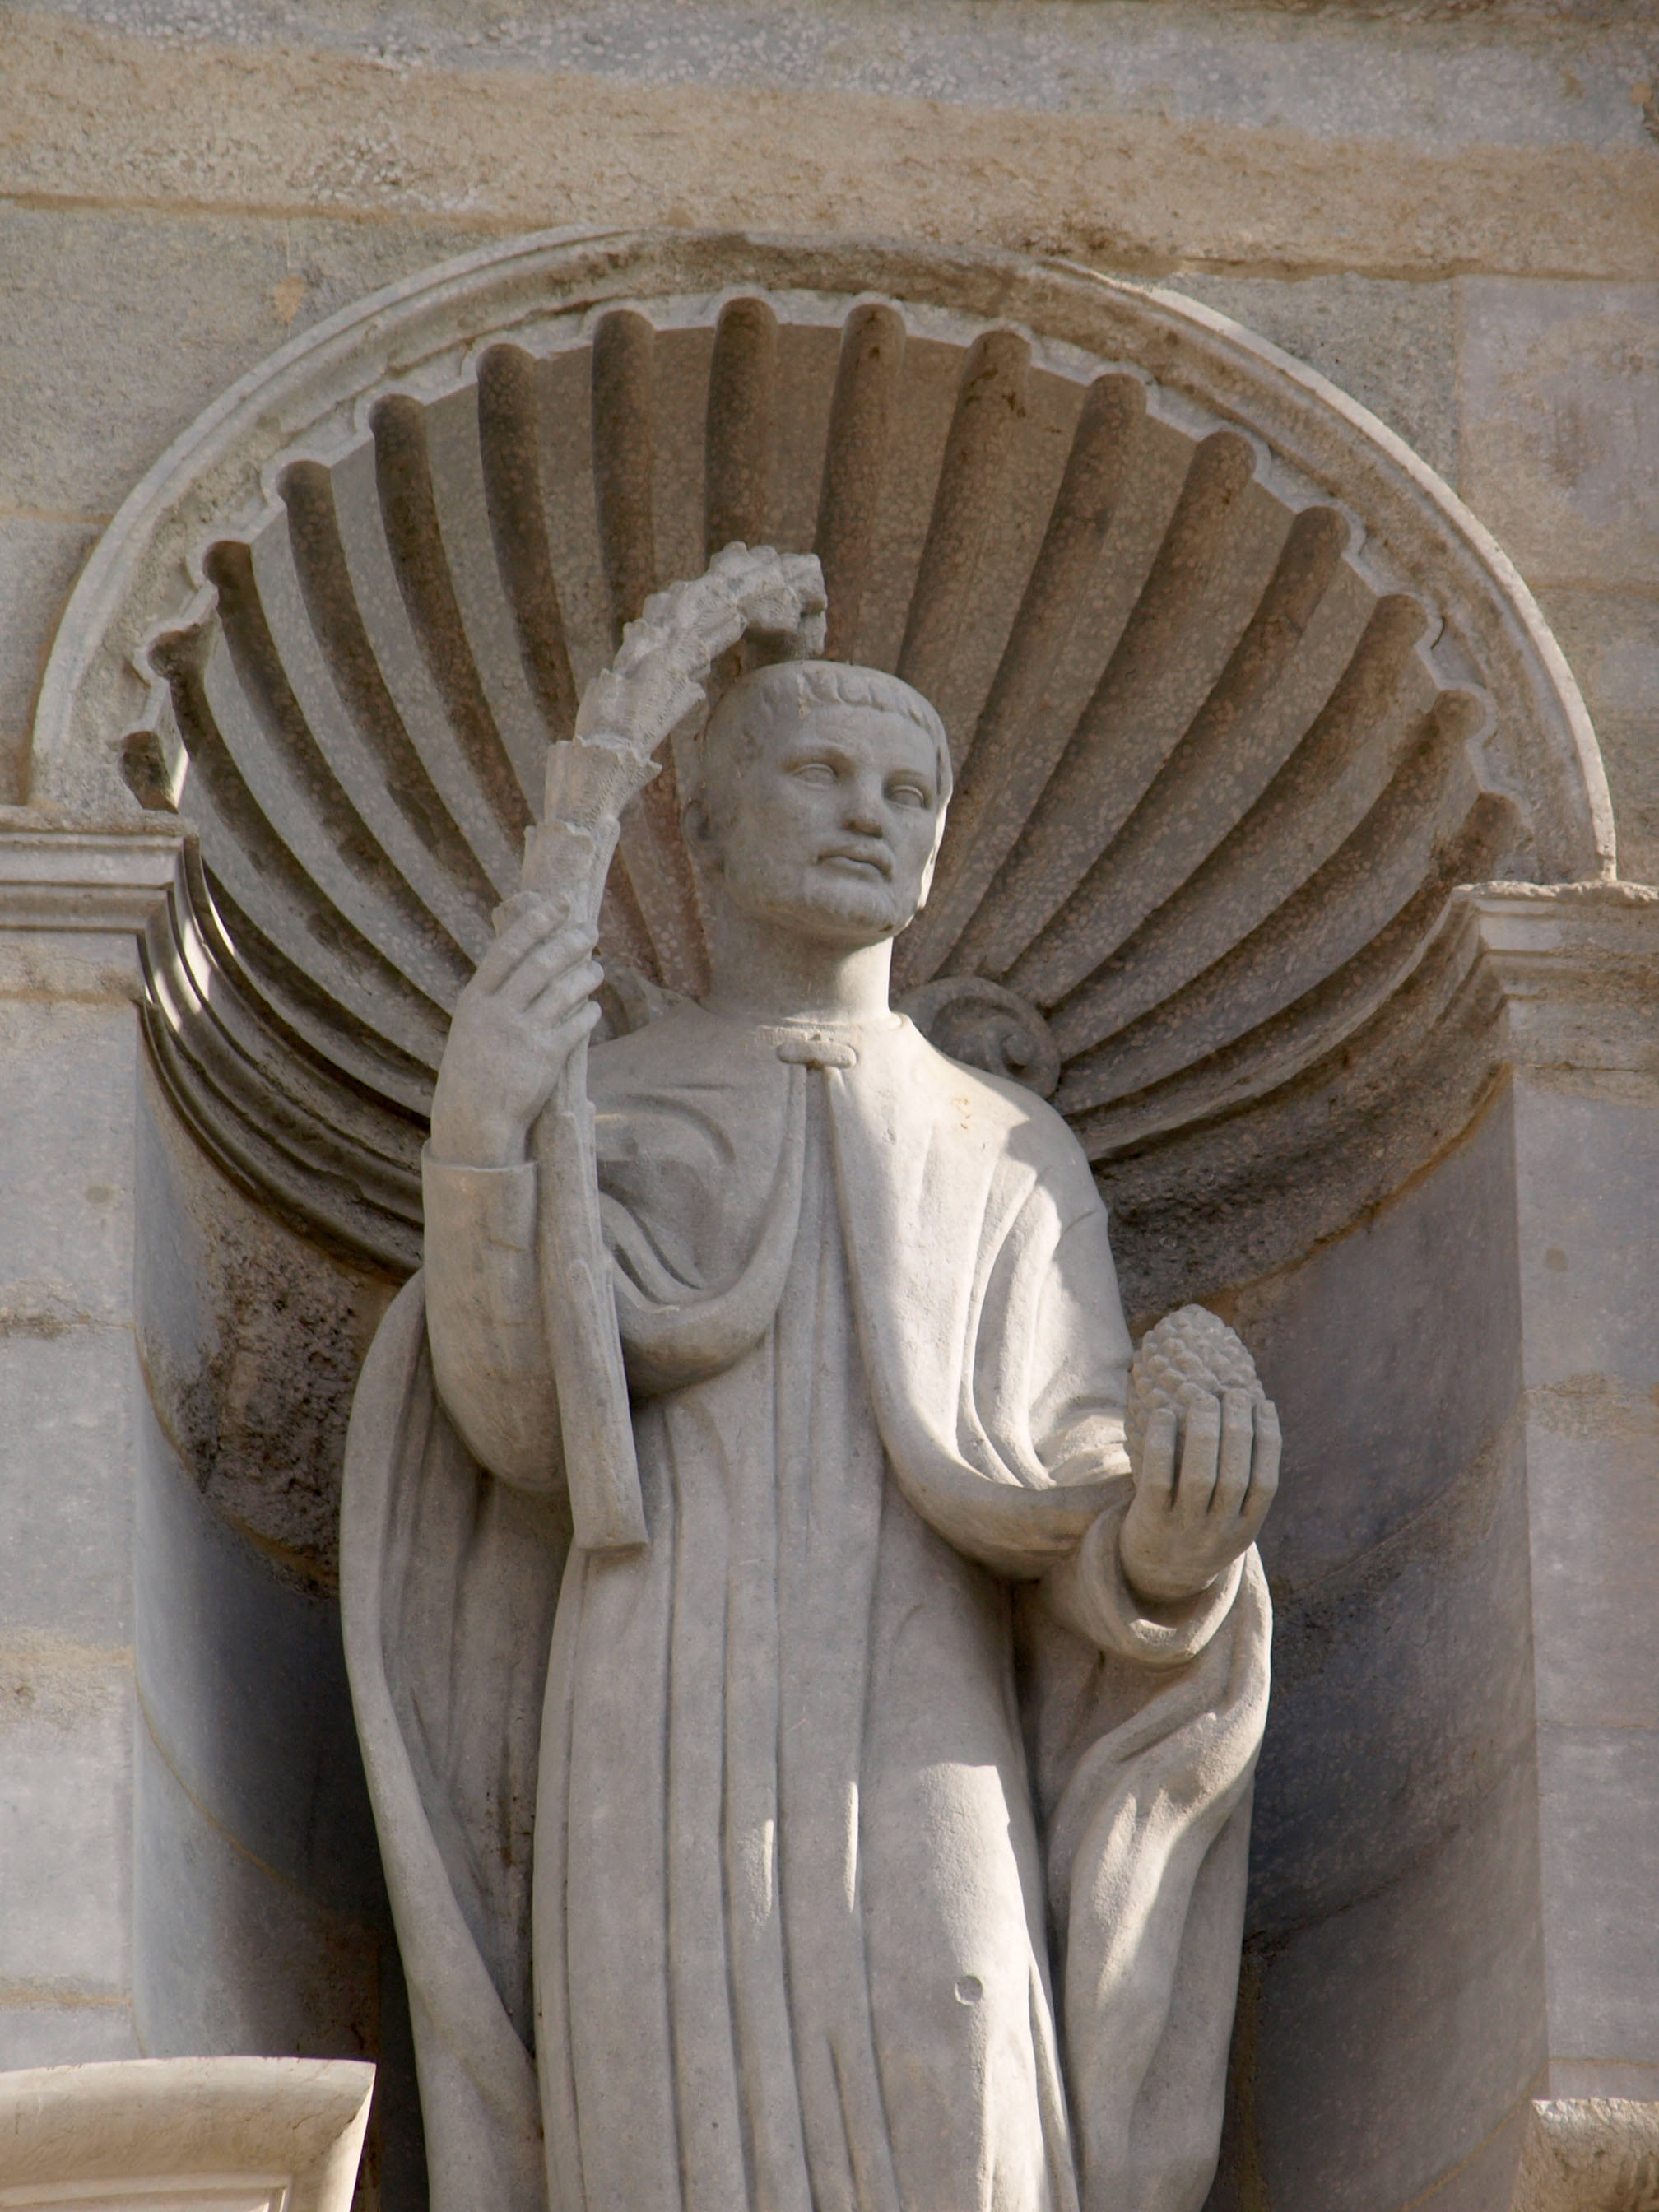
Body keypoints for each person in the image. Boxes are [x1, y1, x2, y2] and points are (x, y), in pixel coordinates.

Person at [342, 601, 1277, 2212]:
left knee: (963, 2046)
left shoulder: (1004, 1147)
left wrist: (1170, 1547)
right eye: (821, 774)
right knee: (661, 2099)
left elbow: (1068, 1462)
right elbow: (512, 1427)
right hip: (652, 1682)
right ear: (703, 829)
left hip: (923, 1701)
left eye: (907, 793)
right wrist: (483, 1138)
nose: (868, 814)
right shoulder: (603, 1106)